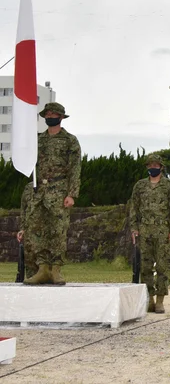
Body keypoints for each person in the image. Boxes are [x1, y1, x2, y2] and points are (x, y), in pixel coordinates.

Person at [20, 102, 81, 285]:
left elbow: (75, 168)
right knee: (37, 231)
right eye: (47, 114)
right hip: (39, 192)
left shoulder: (70, 140)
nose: (50, 116)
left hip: (59, 191)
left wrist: (72, 194)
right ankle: (42, 268)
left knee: (58, 232)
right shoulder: (37, 140)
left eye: (54, 114)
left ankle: (55, 269)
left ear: (61, 117)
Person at [129, 154, 170, 313]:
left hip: (162, 231)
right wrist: (134, 228)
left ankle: (160, 300)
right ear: (147, 167)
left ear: (161, 167)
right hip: (144, 230)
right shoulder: (140, 186)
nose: (153, 168)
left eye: (156, 165)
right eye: (150, 165)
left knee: (162, 266)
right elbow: (134, 208)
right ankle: (149, 299)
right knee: (145, 267)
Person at [16, 182, 38, 279]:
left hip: (47, 232)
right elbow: (23, 209)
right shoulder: (28, 187)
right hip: (30, 229)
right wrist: (22, 228)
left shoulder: (53, 185)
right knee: (30, 262)